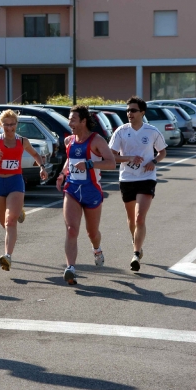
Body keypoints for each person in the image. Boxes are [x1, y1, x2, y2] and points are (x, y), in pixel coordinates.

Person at [0, 109, 48, 271]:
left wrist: (42, 167)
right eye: (6, 124)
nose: (9, 128)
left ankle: (7, 256)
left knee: (10, 221)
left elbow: (36, 154)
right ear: (1, 125)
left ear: (17, 124)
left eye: (12, 124)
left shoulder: (22, 141)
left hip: (15, 181)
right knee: (4, 223)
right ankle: (17, 211)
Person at [56, 105, 116, 285]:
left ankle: (97, 249)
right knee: (71, 229)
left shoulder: (97, 140)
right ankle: (71, 269)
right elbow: (70, 160)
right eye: (69, 119)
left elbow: (111, 163)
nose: (69, 123)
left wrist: (89, 164)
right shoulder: (70, 141)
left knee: (92, 232)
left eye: (73, 119)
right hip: (72, 189)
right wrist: (62, 174)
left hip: (92, 191)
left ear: (83, 121)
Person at [109, 96, 167, 271]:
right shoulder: (120, 131)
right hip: (127, 178)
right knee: (131, 218)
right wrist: (128, 158)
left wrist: (154, 162)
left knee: (140, 216)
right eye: (128, 110)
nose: (129, 113)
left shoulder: (151, 131)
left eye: (133, 110)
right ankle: (137, 244)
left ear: (142, 112)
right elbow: (111, 156)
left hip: (146, 178)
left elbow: (162, 151)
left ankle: (135, 255)